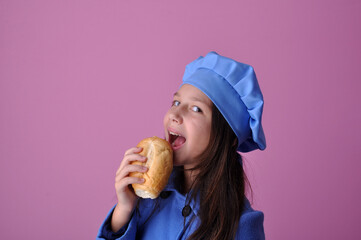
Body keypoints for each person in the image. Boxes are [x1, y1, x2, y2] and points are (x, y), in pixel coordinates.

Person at [96, 51, 266, 240]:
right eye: (176, 102)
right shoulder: (145, 199)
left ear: (228, 137)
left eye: (196, 108)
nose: (174, 114)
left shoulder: (242, 225)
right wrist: (124, 209)